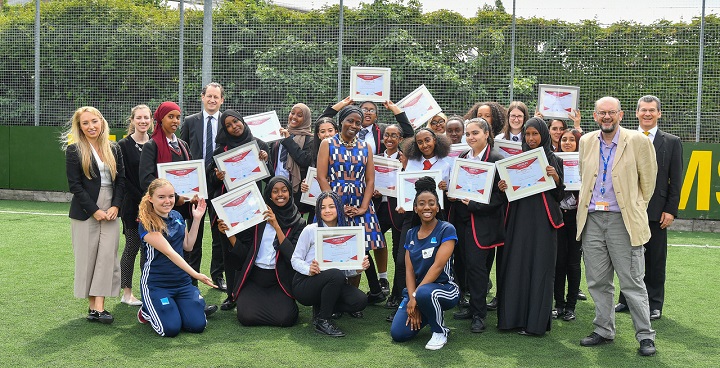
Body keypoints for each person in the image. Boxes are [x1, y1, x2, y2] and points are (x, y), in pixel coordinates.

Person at [576, 96, 658, 356]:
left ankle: (645, 336)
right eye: (602, 113)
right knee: (597, 281)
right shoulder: (586, 141)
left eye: (612, 112)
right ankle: (603, 329)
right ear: (595, 115)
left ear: (621, 115)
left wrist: (636, 208)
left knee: (632, 282)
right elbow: (583, 176)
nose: (607, 117)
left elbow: (649, 182)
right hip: (592, 221)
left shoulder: (638, 140)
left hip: (623, 221)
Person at [139, 101, 218, 316]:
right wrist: (173, 198)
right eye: (170, 117)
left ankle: (193, 298)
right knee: (162, 253)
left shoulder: (182, 144)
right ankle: (154, 298)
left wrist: (190, 196)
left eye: (177, 117)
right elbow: (146, 179)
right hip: (161, 211)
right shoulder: (152, 145)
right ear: (160, 120)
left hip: (184, 209)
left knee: (192, 248)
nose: (175, 121)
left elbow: (190, 173)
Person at [615, 95, 683, 321]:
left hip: (656, 212)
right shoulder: (623, 138)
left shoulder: (672, 142)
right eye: (643, 110)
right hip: (627, 209)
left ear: (659, 114)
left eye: (652, 110)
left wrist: (671, 210)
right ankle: (625, 300)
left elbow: (676, 180)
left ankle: (654, 304)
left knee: (654, 259)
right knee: (626, 257)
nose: (647, 114)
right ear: (636, 113)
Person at [497, 117, 564, 336]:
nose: (531, 138)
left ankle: (535, 324)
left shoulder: (555, 160)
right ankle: (511, 320)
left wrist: (556, 180)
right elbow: (509, 195)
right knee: (516, 266)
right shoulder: (515, 161)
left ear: (543, 135)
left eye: (535, 134)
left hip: (543, 223)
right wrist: (503, 186)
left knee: (540, 270)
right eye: (527, 134)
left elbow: (559, 196)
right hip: (518, 221)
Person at [316, 106, 386, 306]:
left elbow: (370, 181)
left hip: (360, 205)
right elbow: (321, 176)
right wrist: (335, 207)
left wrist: (364, 208)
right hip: (333, 204)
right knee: (333, 250)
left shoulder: (366, 147)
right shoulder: (327, 144)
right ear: (341, 121)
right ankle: (333, 296)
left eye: (358, 122)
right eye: (350, 121)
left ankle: (351, 300)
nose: (354, 125)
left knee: (359, 252)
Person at [63, 106, 125, 324]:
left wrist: (116, 206)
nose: (91, 126)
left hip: (111, 207)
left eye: (94, 121)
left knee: (107, 255)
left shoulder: (113, 148)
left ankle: (98, 307)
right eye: (85, 123)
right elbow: (75, 186)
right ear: (79, 127)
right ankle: (95, 308)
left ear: (101, 121)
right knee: (88, 257)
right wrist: (95, 211)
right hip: (85, 209)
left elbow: (121, 180)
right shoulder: (74, 150)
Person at [206, 109, 270, 311]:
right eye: (229, 125)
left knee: (253, 248)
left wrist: (266, 161)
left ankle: (251, 290)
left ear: (243, 121)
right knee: (230, 250)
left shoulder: (259, 146)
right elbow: (209, 184)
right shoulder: (219, 152)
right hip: (229, 208)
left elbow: (272, 179)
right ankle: (232, 294)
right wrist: (217, 177)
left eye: (236, 122)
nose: (235, 126)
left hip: (253, 207)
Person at [387, 127, 452, 322]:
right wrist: (402, 204)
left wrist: (446, 187)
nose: (424, 145)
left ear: (436, 141)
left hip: (436, 218)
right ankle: (402, 299)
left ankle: (430, 300)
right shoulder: (412, 163)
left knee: (432, 262)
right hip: (412, 217)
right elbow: (405, 188)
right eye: (420, 142)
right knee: (401, 261)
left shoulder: (447, 163)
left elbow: (453, 191)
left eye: (428, 140)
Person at [136, 178, 217, 337]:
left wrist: (197, 219)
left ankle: (174, 307)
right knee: (170, 329)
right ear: (151, 198)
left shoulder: (178, 216)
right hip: (157, 284)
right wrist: (195, 274)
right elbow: (169, 252)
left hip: (181, 283)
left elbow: (188, 246)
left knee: (197, 325)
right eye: (161, 197)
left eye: (171, 196)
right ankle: (146, 310)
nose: (168, 201)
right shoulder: (147, 222)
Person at [448, 118, 506, 333]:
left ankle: (479, 315)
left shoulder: (497, 158)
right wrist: (452, 195)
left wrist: (475, 205)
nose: (471, 137)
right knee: (464, 265)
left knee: (477, 268)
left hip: (482, 223)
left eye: (475, 133)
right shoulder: (463, 157)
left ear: (486, 134)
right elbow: (458, 185)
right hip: (461, 220)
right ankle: (472, 308)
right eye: (468, 134)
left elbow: (502, 196)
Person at [390, 176, 459, 350]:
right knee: (398, 334)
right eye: (421, 203)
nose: (426, 207)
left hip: (445, 289)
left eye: (431, 203)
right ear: (415, 208)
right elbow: (409, 271)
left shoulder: (446, 229)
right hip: (418, 293)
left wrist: (416, 297)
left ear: (437, 207)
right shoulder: (411, 234)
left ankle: (440, 331)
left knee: (425, 293)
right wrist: (413, 297)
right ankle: (429, 310)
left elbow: (437, 267)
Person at [226, 177, 306, 327]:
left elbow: (293, 257)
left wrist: (276, 226)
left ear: (290, 193)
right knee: (246, 317)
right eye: (275, 191)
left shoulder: (298, 223)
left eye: (284, 190)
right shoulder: (257, 218)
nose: (280, 195)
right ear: (269, 195)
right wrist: (229, 234)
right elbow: (244, 254)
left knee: (286, 319)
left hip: (279, 281)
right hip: (255, 279)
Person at [291, 191, 370, 337]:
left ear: (339, 208)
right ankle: (323, 320)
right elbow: (295, 259)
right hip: (305, 283)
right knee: (335, 274)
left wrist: (359, 268)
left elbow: (346, 271)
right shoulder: (310, 230)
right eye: (323, 207)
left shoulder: (347, 232)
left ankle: (322, 307)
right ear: (317, 210)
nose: (327, 211)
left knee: (359, 301)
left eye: (332, 206)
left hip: (332, 282)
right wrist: (309, 269)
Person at [179, 82, 226, 291]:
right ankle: (192, 277)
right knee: (193, 233)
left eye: (216, 97)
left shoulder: (227, 121)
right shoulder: (190, 122)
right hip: (193, 188)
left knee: (219, 233)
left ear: (222, 100)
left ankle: (218, 276)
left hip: (219, 184)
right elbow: (181, 151)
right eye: (209, 96)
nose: (212, 100)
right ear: (202, 97)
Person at [117, 104, 152, 306]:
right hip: (132, 207)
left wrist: (153, 200)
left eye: (146, 117)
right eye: (139, 118)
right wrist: (143, 198)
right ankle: (127, 293)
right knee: (132, 247)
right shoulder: (123, 145)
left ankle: (145, 289)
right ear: (132, 120)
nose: (142, 121)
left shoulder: (155, 143)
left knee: (150, 249)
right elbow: (123, 178)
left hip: (153, 207)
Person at [370, 124, 405, 306]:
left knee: (398, 252)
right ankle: (376, 287)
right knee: (368, 244)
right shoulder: (375, 159)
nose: (389, 139)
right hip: (378, 208)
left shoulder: (405, 158)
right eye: (386, 135)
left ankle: (397, 294)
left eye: (394, 136)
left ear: (400, 139)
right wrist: (373, 189)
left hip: (398, 210)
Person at [554, 128, 583, 321]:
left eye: (571, 140)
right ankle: (558, 305)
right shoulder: (553, 161)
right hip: (557, 217)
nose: (567, 142)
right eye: (564, 139)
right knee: (558, 263)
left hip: (576, 217)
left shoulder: (584, 161)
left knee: (573, 264)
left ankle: (570, 306)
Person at [270, 103, 314, 214]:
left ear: (306, 119)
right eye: (292, 113)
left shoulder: (310, 139)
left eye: (299, 115)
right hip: (277, 186)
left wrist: (289, 140)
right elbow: (273, 162)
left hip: (296, 190)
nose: (294, 117)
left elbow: (304, 160)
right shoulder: (279, 136)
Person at [299, 117, 339, 217]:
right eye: (322, 131)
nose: (327, 134)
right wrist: (305, 184)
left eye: (330, 130)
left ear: (336, 132)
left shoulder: (345, 152)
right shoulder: (313, 154)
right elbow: (310, 178)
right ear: (318, 135)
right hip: (318, 205)